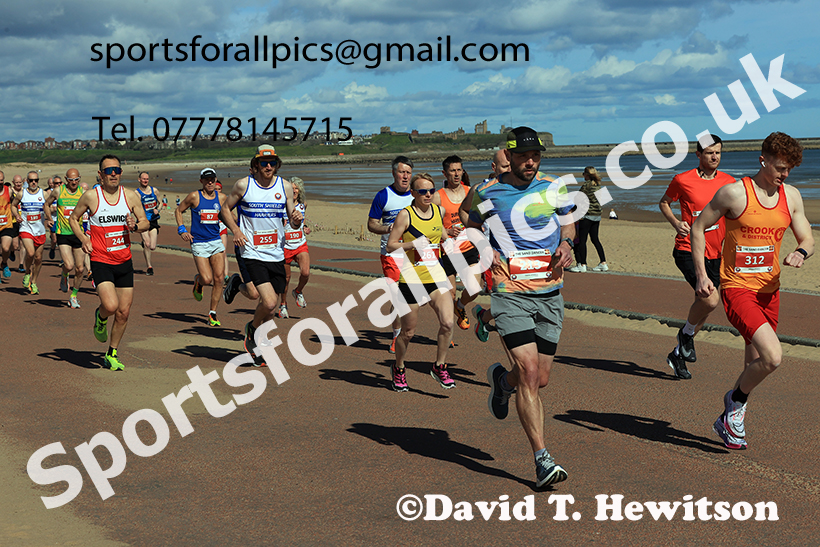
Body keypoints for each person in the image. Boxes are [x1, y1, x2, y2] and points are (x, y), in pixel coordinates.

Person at [465, 126, 575, 488]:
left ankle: (501, 380)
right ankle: (542, 459)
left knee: (539, 379)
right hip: (509, 290)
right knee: (528, 371)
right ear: (508, 157)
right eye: (524, 156)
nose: (531, 162)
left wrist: (567, 245)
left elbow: (569, 224)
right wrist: (485, 247)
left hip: (549, 290)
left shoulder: (553, 187)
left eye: (536, 156)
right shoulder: (487, 192)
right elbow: (471, 224)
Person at [691, 132, 814, 450]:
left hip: (770, 291)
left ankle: (733, 417)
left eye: (789, 170)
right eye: (780, 168)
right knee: (773, 358)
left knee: (755, 363)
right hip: (737, 288)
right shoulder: (734, 194)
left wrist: (800, 252)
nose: (784, 175)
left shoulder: (792, 197)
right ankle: (734, 401)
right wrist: (702, 275)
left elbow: (808, 239)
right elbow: (697, 227)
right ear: (764, 160)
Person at [659, 135, 735, 379]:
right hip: (687, 250)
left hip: (717, 253)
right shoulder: (683, 180)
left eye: (718, 153)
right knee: (710, 300)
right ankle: (686, 336)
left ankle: (678, 354)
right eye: (710, 153)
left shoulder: (729, 182)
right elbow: (664, 203)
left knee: (702, 308)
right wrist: (675, 222)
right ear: (699, 155)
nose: (715, 157)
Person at [220, 145, 302, 367]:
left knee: (270, 310)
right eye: (264, 162)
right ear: (255, 164)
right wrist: (236, 231)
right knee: (269, 300)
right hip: (251, 251)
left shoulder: (284, 187)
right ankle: (252, 331)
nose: (268, 166)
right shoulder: (244, 185)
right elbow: (224, 210)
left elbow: (292, 219)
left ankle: (257, 340)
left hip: (276, 252)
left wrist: (296, 219)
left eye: (272, 162)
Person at [69, 155, 150, 371]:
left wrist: (135, 226)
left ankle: (111, 353)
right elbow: (73, 218)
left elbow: (145, 222)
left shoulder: (130, 196)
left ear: (121, 173)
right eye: (108, 170)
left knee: (124, 312)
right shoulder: (91, 197)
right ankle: (101, 315)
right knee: (111, 306)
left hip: (124, 260)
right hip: (101, 260)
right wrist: (84, 239)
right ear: (100, 175)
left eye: (117, 170)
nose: (113, 174)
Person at [386, 173, 454, 391]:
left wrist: (449, 235)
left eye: (431, 190)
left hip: (437, 276)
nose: (428, 194)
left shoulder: (438, 211)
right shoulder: (405, 216)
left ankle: (439, 365)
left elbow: (440, 234)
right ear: (413, 193)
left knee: (448, 322)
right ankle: (399, 367)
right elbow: (390, 245)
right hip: (412, 279)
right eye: (423, 191)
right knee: (408, 333)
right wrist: (412, 244)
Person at [367, 156, 414, 353]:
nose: (405, 176)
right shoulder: (383, 196)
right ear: (394, 173)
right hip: (391, 254)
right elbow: (371, 224)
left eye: (408, 173)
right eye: (402, 172)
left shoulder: (418, 195)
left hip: (413, 253)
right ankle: (396, 335)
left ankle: (445, 331)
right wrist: (388, 229)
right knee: (397, 296)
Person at [433, 155, 483, 332]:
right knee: (450, 294)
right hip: (448, 251)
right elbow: (432, 224)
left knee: (475, 288)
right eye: (452, 171)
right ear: (445, 173)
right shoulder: (438, 197)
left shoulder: (471, 191)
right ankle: (447, 330)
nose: (456, 174)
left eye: (459, 170)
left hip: (469, 248)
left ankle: (460, 306)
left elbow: (481, 214)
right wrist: (445, 232)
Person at [175, 168, 227, 327]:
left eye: (212, 179)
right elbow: (179, 210)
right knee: (207, 279)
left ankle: (212, 312)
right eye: (206, 179)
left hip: (216, 241)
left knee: (219, 279)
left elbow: (232, 215)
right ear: (201, 181)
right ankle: (198, 281)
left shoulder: (222, 197)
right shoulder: (194, 196)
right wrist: (182, 229)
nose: (210, 182)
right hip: (199, 242)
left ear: (216, 180)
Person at [472, 149, 513, 343]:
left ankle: (484, 318)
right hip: (500, 256)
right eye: (505, 166)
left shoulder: (525, 186)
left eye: (512, 165)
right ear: (494, 168)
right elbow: (471, 218)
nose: (510, 170)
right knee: (507, 305)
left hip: (527, 258)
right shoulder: (486, 192)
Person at [43, 168, 86, 308]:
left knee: (80, 269)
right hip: (63, 234)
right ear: (66, 179)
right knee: (69, 265)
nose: (74, 182)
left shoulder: (83, 193)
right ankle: (64, 274)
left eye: (76, 179)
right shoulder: (58, 191)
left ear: (79, 179)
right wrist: (49, 218)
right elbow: (46, 204)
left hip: (78, 234)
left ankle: (73, 296)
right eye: (71, 180)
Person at [278, 176, 311, 316]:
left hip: (300, 244)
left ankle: (297, 291)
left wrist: (305, 228)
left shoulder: (304, 205)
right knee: (286, 279)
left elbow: (301, 222)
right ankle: (283, 305)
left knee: (305, 272)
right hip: (285, 246)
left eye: (297, 188)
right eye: (292, 188)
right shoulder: (281, 206)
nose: (294, 190)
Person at [11, 171, 48, 294]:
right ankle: (27, 272)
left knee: (38, 258)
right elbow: (13, 205)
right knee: (30, 253)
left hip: (40, 230)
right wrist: (16, 215)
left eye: (36, 180)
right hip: (26, 228)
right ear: (27, 181)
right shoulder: (22, 193)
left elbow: (51, 206)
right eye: (31, 180)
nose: (33, 183)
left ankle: (34, 282)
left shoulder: (44, 194)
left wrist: (50, 217)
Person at [567, 167, 608, 273]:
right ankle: (603, 263)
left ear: (587, 175)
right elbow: (603, 201)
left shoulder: (586, 185)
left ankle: (582, 264)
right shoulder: (598, 185)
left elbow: (577, 199)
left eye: (583, 174)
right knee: (595, 239)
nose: (583, 176)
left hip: (587, 216)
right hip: (597, 216)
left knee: (582, 240)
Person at [136, 171, 160, 276]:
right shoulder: (136, 193)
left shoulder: (154, 191)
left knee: (152, 246)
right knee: (147, 243)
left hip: (153, 221)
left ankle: (144, 244)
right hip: (143, 221)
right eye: (143, 179)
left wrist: (158, 210)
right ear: (139, 180)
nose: (145, 181)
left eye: (147, 179)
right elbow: (134, 207)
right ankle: (149, 266)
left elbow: (161, 203)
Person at [0, 170, 13, 281]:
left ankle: (4, 263)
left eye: (1, 180)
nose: (0, 182)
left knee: (5, 247)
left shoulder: (8, 191)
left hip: (6, 224)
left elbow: (16, 202)